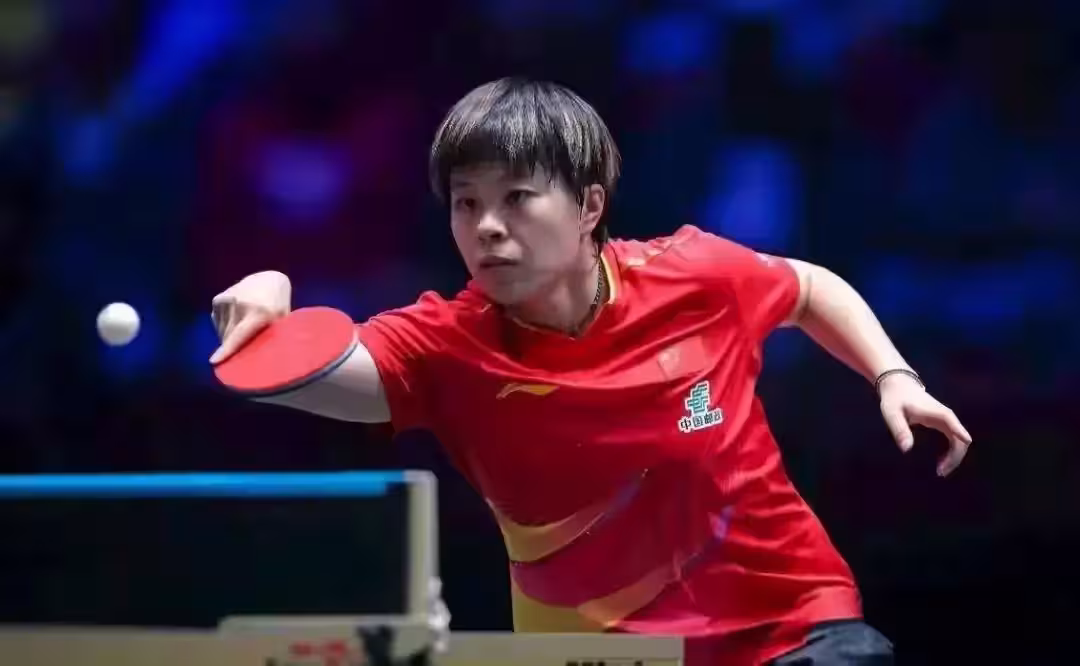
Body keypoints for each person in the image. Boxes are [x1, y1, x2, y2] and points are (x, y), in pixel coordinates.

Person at [209, 78, 971, 665]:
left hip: (793, 631)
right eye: (466, 204)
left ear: (588, 206)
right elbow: (313, 374)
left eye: (516, 198)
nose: (487, 227)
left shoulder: (693, 275)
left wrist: (894, 377)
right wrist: (268, 304)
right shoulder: (445, 346)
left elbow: (808, 287)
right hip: (608, 656)